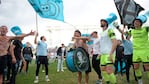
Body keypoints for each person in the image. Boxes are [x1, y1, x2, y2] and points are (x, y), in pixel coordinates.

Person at [99, 19, 117, 84]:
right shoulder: (101, 33)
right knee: (103, 71)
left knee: (109, 71)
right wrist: (100, 53)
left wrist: (111, 54)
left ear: (106, 23)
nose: (101, 22)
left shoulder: (110, 30)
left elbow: (115, 42)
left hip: (109, 54)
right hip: (103, 55)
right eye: (100, 21)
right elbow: (102, 44)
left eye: (103, 21)